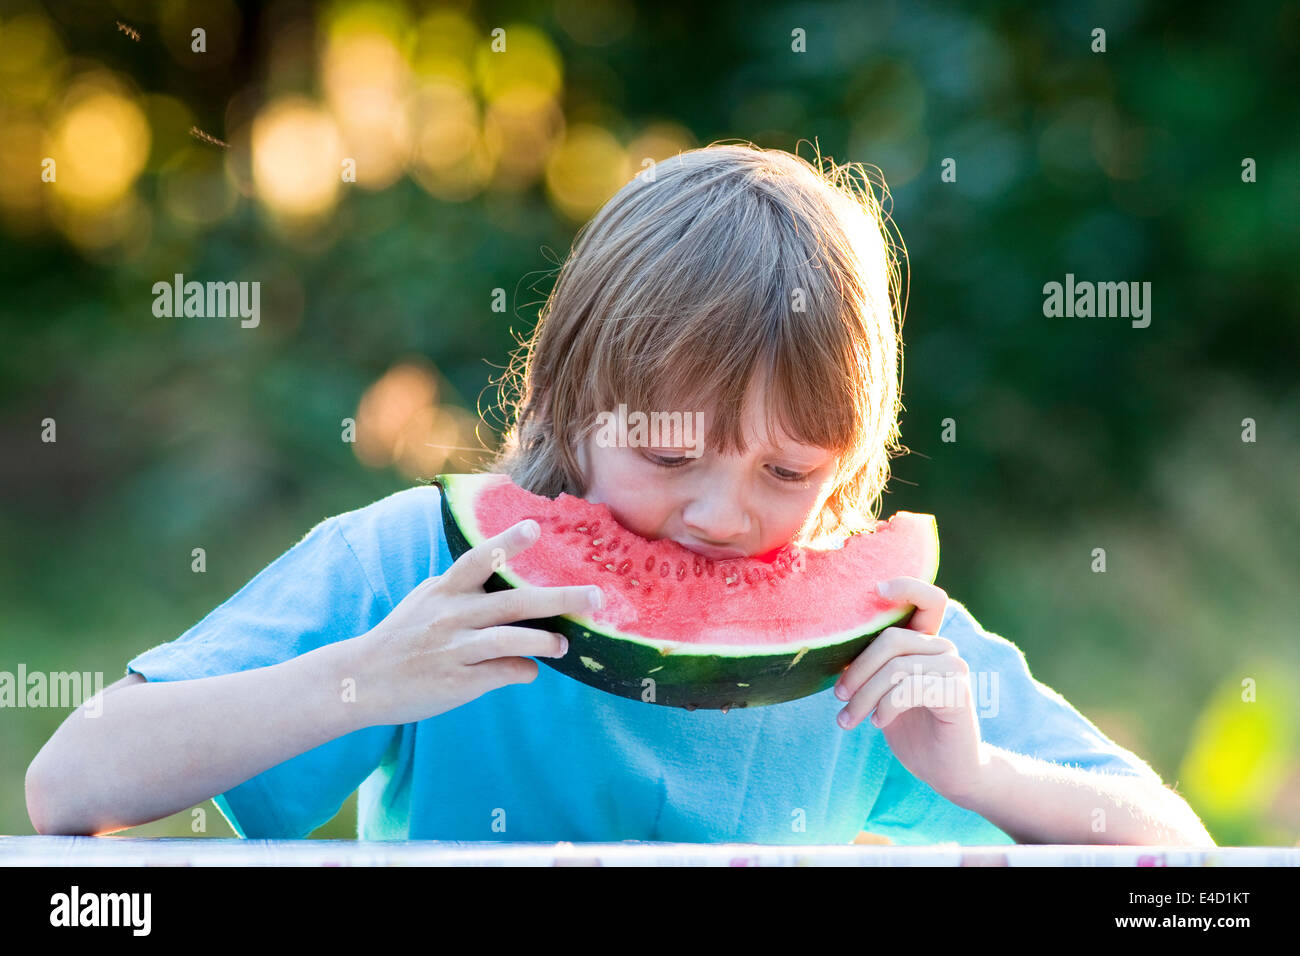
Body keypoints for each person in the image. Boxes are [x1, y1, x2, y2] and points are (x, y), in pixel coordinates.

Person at [26, 143, 1213, 845]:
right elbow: (71, 783)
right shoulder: (423, 571)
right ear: (566, 400)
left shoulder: (876, 641)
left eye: (788, 471)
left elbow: (1185, 857)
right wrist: (364, 678)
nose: (721, 513)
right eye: (666, 451)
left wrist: (975, 773)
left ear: (851, 461)